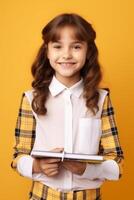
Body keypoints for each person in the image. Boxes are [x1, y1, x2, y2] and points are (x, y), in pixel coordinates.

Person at [11, 13, 124, 200]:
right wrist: (37, 166)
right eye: (57, 46)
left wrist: (86, 169)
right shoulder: (31, 99)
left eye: (76, 46)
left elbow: (116, 165)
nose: (66, 54)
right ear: (47, 51)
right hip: (42, 196)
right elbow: (18, 157)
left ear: (88, 51)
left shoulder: (101, 99)